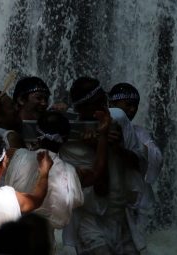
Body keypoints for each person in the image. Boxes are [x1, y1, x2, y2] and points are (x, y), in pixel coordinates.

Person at [60, 77, 146, 255]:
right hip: (89, 218)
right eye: (96, 104)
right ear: (81, 109)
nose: (103, 107)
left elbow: (140, 163)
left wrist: (118, 147)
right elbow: (100, 187)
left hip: (121, 213)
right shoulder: (67, 136)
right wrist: (100, 145)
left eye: (104, 100)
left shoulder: (118, 119)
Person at [4, 110, 111, 250]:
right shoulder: (70, 173)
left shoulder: (15, 156)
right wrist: (103, 136)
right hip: (43, 244)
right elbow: (97, 173)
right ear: (65, 141)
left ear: (37, 134)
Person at [108, 82, 163, 249]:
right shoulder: (96, 129)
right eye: (128, 105)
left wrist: (132, 147)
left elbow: (155, 157)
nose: (132, 110)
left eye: (135, 105)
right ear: (111, 105)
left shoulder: (139, 132)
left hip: (138, 200)